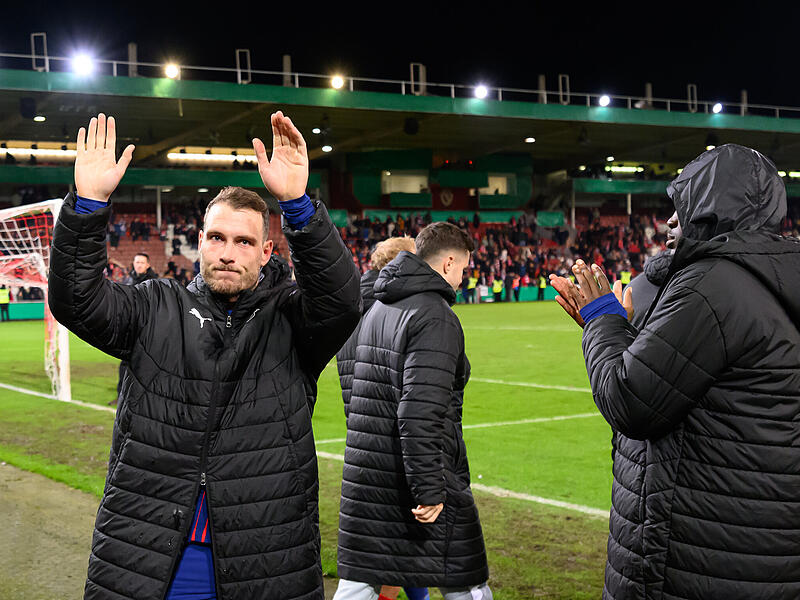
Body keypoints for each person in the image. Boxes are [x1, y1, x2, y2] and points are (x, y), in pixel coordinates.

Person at [48, 112, 361, 600]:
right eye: (217, 238)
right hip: (149, 556)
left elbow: (342, 302)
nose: (228, 252)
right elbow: (76, 301)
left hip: (264, 559)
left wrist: (298, 205)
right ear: (199, 244)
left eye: (244, 241)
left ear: (266, 252)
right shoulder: (155, 306)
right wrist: (88, 205)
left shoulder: (294, 322)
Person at [550, 144, 800, 599]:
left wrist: (603, 321)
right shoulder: (764, 279)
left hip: (695, 556)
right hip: (756, 549)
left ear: (714, 209)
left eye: (683, 208)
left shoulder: (714, 283)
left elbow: (632, 400)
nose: (668, 222)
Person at [335, 222, 491, 600]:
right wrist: (429, 489)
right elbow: (419, 413)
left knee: (361, 583)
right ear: (450, 262)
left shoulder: (377, 310)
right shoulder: (434, 315)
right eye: (465, 269)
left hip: (368, 476)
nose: (463, 278)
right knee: (465, 583)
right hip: (417, 477)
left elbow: (356, 392)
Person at [334, 235, 429, 600]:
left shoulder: (354, 311)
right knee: (401, 545)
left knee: (395, 549)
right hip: (395, 448)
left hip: (362, 444)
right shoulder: (398, 313)